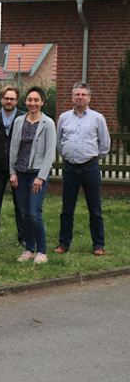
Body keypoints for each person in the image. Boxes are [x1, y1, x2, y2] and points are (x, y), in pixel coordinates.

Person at [56, 81, 111, 256]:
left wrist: (93, 159)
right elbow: (59, 142)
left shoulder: (97, 118)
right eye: (77, 94)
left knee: (94, 208)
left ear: (89, 98)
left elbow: (105, 145)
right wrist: (68, 154)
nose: (80, 97)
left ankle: (98, 245)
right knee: (67, 209)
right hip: (70, 168)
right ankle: (64, 243)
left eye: (83, 95)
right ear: (72, 97)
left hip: (90, 168)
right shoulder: (64, 117)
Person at [9, 87, 56, 264]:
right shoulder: (19, 121)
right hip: (20, 174)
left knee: (35, 213)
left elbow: (50, 152)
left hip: (37, 175)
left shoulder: (48, 123)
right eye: (29, 100)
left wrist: (41, 177)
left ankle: (42, 251)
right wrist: (12, 172)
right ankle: (29, 249)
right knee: (25, 214)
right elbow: (13, 148)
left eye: (36, 100)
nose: (32, 103)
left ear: (42, 102)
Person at [0, 86, 25, 246]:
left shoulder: (23, 117)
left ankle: (23, 236)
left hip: (18, 168)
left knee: (20, 204)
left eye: (12, 99)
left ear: (17, 100)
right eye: (6, 98)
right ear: (1, 99)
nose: (9, 101)